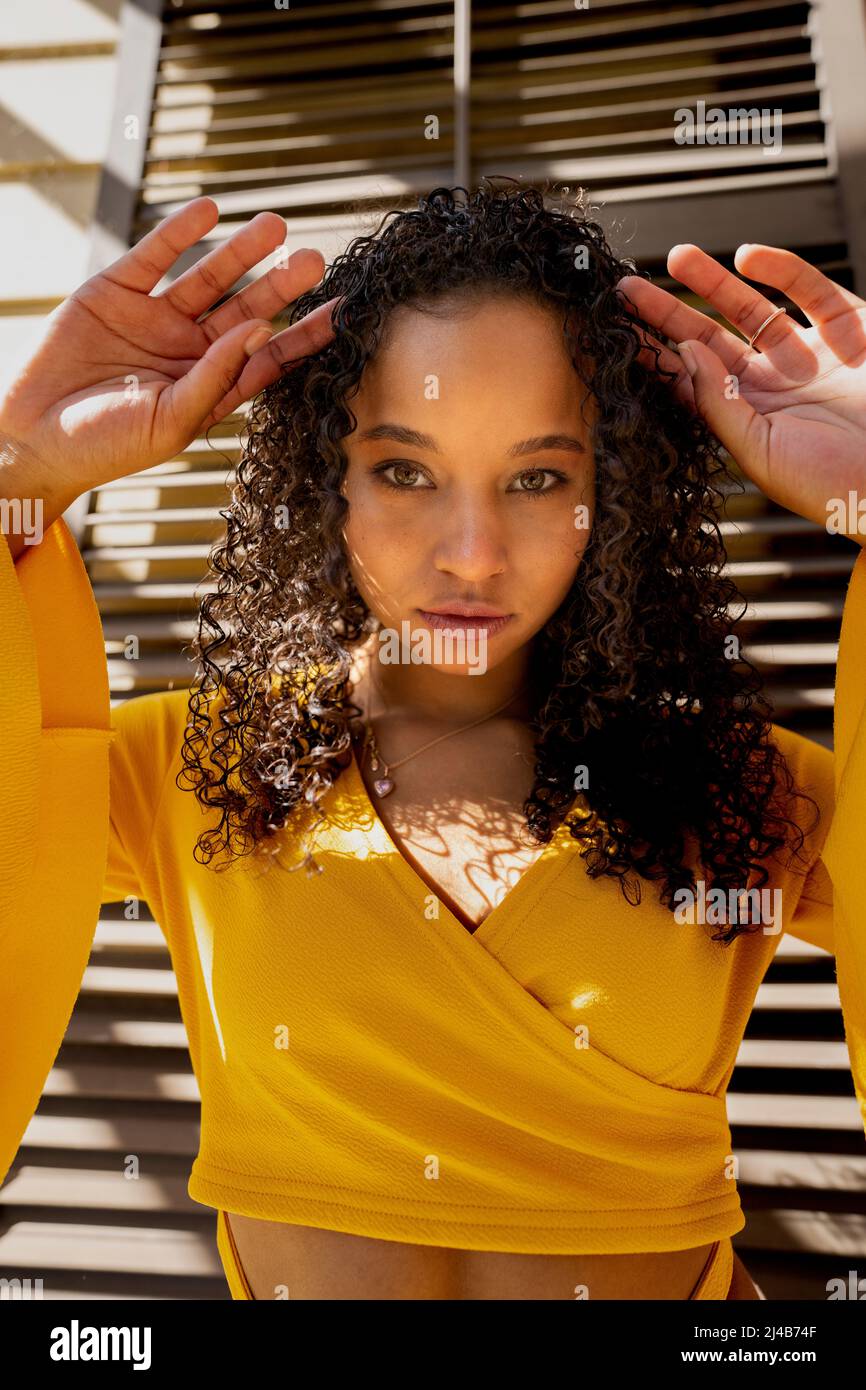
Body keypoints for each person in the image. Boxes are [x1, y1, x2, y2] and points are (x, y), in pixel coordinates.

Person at [0, 181, 863, 1301]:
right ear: (330, 482)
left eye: (538, 476)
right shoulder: (182, 767)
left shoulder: (745, 789)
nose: (470, 552)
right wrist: (17, 475)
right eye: (404, 469)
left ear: (618, 494)